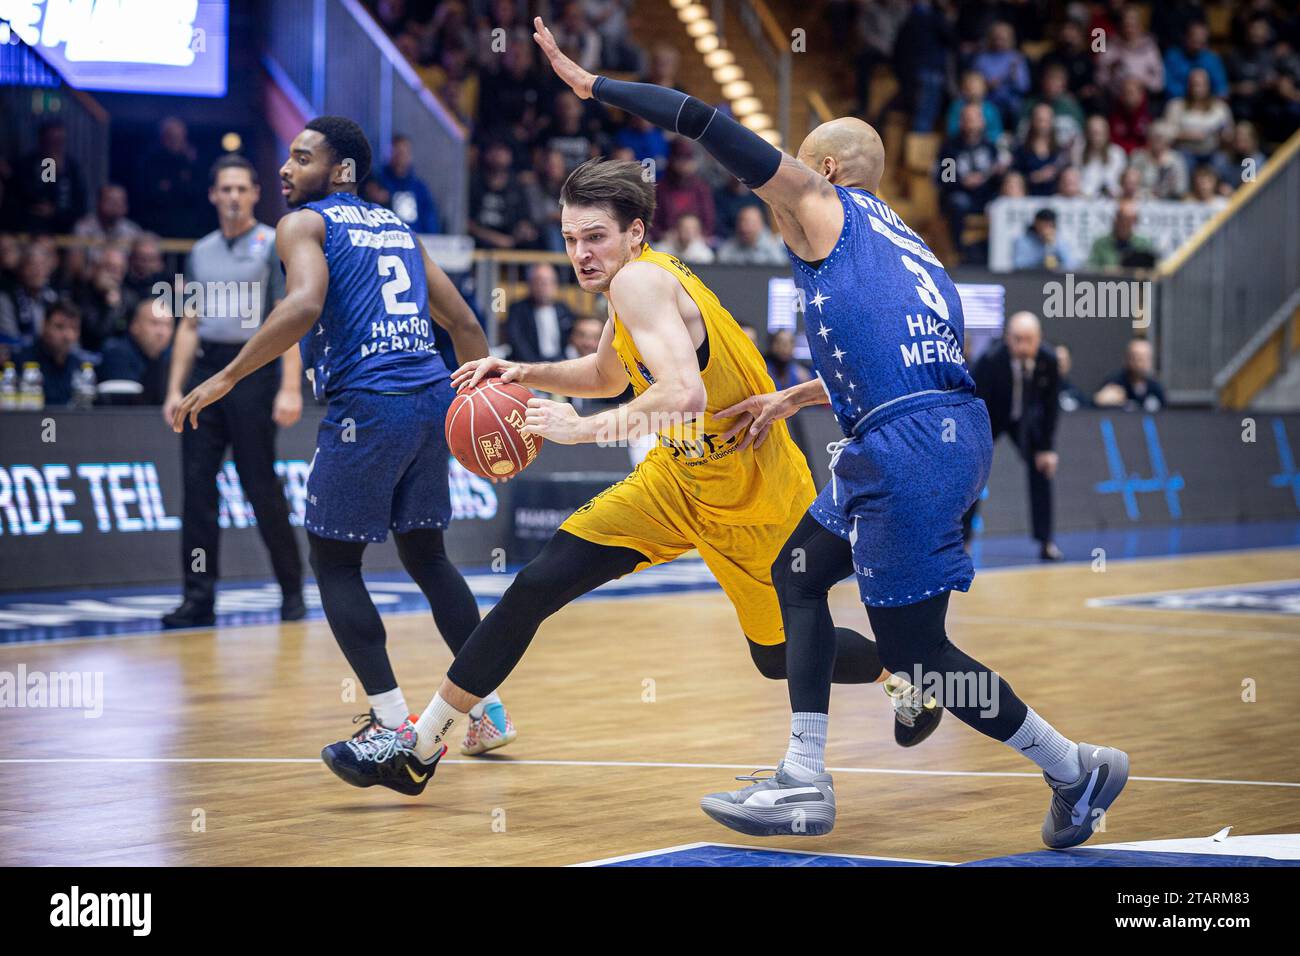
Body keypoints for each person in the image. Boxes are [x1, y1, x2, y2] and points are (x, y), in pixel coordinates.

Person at [516, 18, 1128, 847]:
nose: (781, 189)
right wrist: (797, 397)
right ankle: (806, 774)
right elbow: (912, 363)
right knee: (797, 576)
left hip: (907, 450)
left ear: (828, 170)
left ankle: (1069, 764)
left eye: (800, 167)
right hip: (924, 434)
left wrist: (597, 87)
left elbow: (703, 120)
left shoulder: (818, 200)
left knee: (919, 657)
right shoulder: (915, 249)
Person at [319, 153, 939, 795]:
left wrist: (582, 429)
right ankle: (419, 751)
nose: (581, 253)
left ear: (635, 233)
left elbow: (683, 394)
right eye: (570, 238)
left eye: (595, 237)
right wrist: (520, 371)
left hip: (757, 493)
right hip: (678, 482)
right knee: (536, 584)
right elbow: (606, 375)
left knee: (775, 657)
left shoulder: (639, 283)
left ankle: (900, 673)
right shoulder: (630, 285)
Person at [172, 117, 510, 756]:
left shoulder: (303, 224)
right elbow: (464, 321)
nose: (285, 170)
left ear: (341, 171)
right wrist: (479, 400)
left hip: (370, 403)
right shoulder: (398, 225)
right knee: (426, 556)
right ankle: (488, 711)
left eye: (301, 158)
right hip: (432, 395)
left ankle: (392, 722)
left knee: (333, 560)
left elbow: (301, 307)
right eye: (289, 157)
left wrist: (225, 377)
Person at [158, 155, 306, 629]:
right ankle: (198, 598)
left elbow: (289, 320)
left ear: (255, 194)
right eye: (226, 189)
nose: (234, 197)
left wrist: (288, 386)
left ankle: (291, 591)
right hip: (206, 370)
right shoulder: (200, 251)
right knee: (197, 489)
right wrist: (175, 388)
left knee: (259, 484)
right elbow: (189, 323)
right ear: (213, 195)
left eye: (242, 188)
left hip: (252, 371)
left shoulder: (271, 244)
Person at [962, 313, 1063, 560]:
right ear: (1008, 338)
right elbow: (974, 402)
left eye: (1029, 340)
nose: (1023, 347)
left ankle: (1046, 541)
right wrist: (974, 446)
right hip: (990, 418)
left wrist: (1047, 448)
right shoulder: (990, 360)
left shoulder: (1049, 361)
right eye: (1017, 340)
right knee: (972, 474)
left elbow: (1051, 407)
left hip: (1024, 421)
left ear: (1038, 339)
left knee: (1042, 468)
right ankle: (963, 542)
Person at [99, 298, 174, 405]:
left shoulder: (173, 359)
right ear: (135, 326)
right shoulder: (116, 353)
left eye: (168, 325)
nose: (161, 332)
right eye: (155, 323)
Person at [16, 299, 83, 406]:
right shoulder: (23, 362)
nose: (67, 335)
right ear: (44, 326)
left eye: (74, 328)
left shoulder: (78, 365)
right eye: (59, 327)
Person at [506, 262, 574, 364]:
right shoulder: (518, 309)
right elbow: (518, 343)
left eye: (548, 282)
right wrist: (537, 367)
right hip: (527, 365)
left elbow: (569, 341)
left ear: (555, 285)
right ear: (530, 284)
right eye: (538, 281)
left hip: (559, 365)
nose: (543, 286)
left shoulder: (563, 309)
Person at [375, 134, 442, 234]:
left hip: (417, 239)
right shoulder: (377, 184)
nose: (401, 157)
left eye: (404, 153)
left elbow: (430, 219)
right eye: (397, 152)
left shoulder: (419, 188)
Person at [1094, 338, 1166, 412]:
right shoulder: (1115, 383)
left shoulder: (1155, 388)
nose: (1141, 363)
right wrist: (1102, 400)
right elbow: (1097, 403)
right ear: (1128, 359)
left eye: (1146, 358)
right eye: (1137, 357)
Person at [1087, 198, 1157, 269]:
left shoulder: (1143, 243)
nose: (1124, 224)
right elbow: (1090, 268)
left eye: (1129, 221)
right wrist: (1107, 271)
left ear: (1135, 222)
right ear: (1115, 219)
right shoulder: (1101, 243)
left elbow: (1152, 269)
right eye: (1122, 219)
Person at [716, 205, 787, 265]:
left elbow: (780, 271)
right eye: (741, 221)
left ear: (760, 225)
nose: (744, 227)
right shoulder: (729, 248)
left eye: (749, 223)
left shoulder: (772, 246)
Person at [1012, 208, 1078, 270]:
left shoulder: (1060, 240)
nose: (1045, 229)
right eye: (1043, 225)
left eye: (1049, 225)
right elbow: (1019, 265)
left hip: (1055, 280)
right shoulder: (1023, 241)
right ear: (1036, 223)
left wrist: (1053, 245)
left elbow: (1072, 264)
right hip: (1031, 279)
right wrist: (1042, 261)